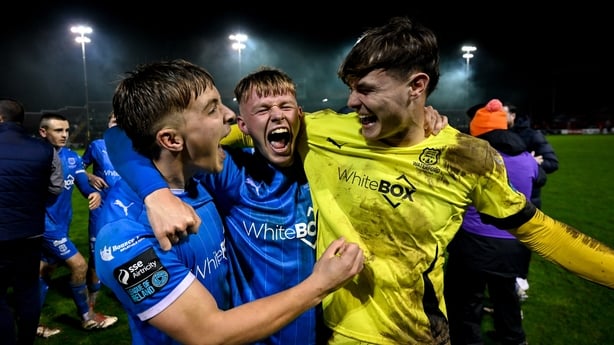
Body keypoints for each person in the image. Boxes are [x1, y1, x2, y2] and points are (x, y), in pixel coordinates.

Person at [115, 17, 614, 344]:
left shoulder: (468, 156)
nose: (351, 103)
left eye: (367, 90)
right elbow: (127, 139)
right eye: (350, 90)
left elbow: (540, 231)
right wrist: (155, 190)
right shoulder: (324, 131)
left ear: (417, 88)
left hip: (412, 334)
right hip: (325, 329)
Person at [105, 66, 447, 344]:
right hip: (251, 334)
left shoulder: (323, 165)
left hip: (320, 332)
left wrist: (417, 115)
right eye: (214, 108)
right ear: (244, 125)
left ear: (301, 116)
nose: (225, 115)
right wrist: (155, 194)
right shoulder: (225, 176)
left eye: (285, 107)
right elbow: (121, 134)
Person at [444, 99, 545, 345]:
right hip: (513, 243)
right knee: (505, 296)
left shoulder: (468, 157)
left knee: (467, 302)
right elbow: (538, 180)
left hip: (473, 243)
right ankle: (513, 339)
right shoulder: (526, 158)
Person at [37, 113, 118, 336]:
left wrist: (94, 194)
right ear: (43, 132)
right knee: (79, 265)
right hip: (46, 227)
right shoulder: (35, 159)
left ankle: (31, 322)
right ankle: (88, 317)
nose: (64, 135)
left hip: (61, 224)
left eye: (66, 130)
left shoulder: (72, 158)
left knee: (44, 272)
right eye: (57, 131)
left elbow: (84, 185)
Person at [0, 98, 62, 344]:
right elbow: (56, 188)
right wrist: (34, 203)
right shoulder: (44, 148)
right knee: (27, 291)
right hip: (30, 233)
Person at [504, 102, 559, 301]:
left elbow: (552, 163)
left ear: (513, 115)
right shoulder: (500, 134)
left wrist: (532, 165)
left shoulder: (532, 136)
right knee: (503, 242)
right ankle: (505, 287)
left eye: (504, 113)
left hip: (529, 199)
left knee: (522, 242)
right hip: (503, 198)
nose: (500, 117)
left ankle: (520, 282)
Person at [81, 112, 121, 310]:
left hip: (124, 210)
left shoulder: (132, 148)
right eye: (114, 119)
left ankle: (128, 294)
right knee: (96, 255)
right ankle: (91, 304)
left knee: (126, 252)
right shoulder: (97, 145)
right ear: (108, 122)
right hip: (101, 209)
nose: (116, 123)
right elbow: (78, 168)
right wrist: (89, 177)